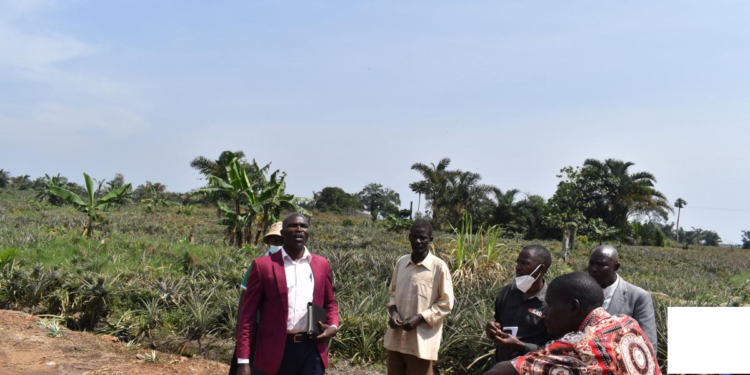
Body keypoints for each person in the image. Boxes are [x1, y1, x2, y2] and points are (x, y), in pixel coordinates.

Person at [485, 272, 661, 375]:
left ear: (574, 307)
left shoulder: (579, 345)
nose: (544, 313)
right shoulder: (627, 322)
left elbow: (505, 371)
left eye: (551, 305)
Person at [236, 213, 339, 375]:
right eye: (293, 226)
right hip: (276, 348)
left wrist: (333, 326)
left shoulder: (321, 264)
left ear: (308, 232)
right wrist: (243, 361)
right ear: (283, 234)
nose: (299, 229)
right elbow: (247, 316)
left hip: (311, 349)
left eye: (303, 226)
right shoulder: (263, 266)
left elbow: (330, 302)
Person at [384, 219, 454, 375]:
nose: (418, 241)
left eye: (422, 237)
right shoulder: (401, 263)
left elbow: (446, 303)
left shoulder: (439, 267)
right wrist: (394, 313)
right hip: (396, 340)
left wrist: (420, 318)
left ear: (430, 240)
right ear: (409, 237)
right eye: (414, 236)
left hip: (421, 343)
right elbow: (393, 294)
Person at [229, 221, 285, 375]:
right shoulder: (258, 264)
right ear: (269, 242)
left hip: (280, 329)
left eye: (282, 241)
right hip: (256, 326)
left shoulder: (292, 266)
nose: (278, 244)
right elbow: (244, 298)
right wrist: (240, 325)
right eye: (275, 241)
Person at [485, 245, 551, 364]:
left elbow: (554, 348)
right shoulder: (507, 293)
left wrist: (521, 346)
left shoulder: (551, 302)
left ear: (541, 269)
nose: (518, 267)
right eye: (518, 262)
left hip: (530, 368)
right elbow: (498, 322)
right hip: (500, 365)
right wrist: (492, 329)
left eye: (525, 263)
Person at [587, 245, 658, 351]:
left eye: (601, 265)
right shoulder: (580, 290)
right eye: (591, 263)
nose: (593, 269)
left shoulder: (638, 297)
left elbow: (648, 344)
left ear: (615, 267)